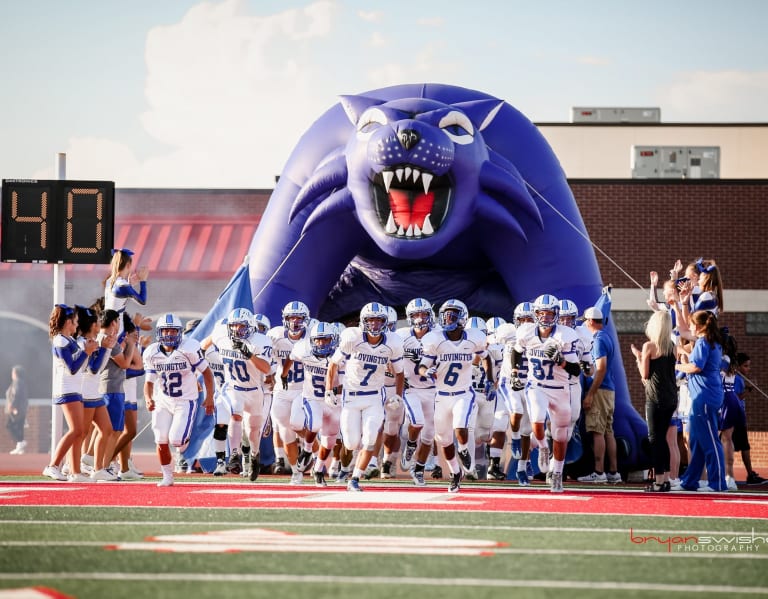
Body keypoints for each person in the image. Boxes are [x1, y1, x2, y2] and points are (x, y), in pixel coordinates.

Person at [326, 302, 404, 492]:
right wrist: (329, 390)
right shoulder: (352, 338)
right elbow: (333, 364)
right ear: (363, 321)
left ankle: (355, 478)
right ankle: (344, 468)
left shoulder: (392, 343)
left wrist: (399, 397)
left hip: (374, 397)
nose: (375, 325)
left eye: (379, 321)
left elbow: (400, 373)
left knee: (369, 438)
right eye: (371, 320)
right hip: (351, 397)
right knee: (351, 442)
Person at [512, 294, 581, 493]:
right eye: (542, 313)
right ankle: (543, 447)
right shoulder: (526, 332)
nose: (546, 317)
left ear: (556, 315)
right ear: (535, 314)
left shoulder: (565, 336)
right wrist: (516, 372)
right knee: (537, 421)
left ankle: (557, 472)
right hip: (537, 386)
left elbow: (576, 370)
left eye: (550, 313)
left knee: (561, 435)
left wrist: (561, 361)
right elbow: (516, 352)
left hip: (560, 390)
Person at [418, 299, 489, 493]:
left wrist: (490, 379)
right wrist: (427, 372)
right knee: (444, 440)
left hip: (463, 394)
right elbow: (422, 365)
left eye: (453, 314)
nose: (448, 317)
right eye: (446, 314)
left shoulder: (473, 338)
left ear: (462, 318)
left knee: (460, 427)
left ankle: (464, 449)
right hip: (441, 396)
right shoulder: (435, 339)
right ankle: (455, 473)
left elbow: (486, 357)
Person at [144, 313, 214, 487]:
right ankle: (167, 476)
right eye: (165, 331)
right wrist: (148, 398)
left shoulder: (189, 348)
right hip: (163, 400)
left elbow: (206, 372)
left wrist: (210, 396)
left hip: (186, 400)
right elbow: (149, 381)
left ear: (180, 332)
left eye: (172, 331)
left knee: (177, 440)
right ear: (159, 333)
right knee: (160, 439)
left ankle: (182, 443)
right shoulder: (152, 352)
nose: (169, 334)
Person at [43, 304, 99, 481]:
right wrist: (86, 352)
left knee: (80, 430)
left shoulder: (70, 340)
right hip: (67, 389)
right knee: (76, 430)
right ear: (67, 322)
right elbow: (72, 368)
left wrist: (90, 350)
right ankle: (53, 465)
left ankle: (74, 471)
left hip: (75, 388)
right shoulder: (60, 340)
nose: (76, 326)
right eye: (74, 322)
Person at [673, 310, 727, 492]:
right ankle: (690, 481)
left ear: (699, 326)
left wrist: (676, 366)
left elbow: (696, 367)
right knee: (696, 440)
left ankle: (717, 483)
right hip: (703, 396)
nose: (690, 328)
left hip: (705, 396)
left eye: (691, 324)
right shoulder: (709, 341)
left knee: (710, 441)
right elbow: (684, 333)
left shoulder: (704, 342)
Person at [286, 321, 341, 486]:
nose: (321, 343)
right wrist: (283, 374)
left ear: (333, 340)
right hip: (312, 398)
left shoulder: (340, 357)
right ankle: (308, 449)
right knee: (314, 424)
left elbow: (348, 381)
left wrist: (336, 392)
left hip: (334, 403)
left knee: (329, 441)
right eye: (318, 340)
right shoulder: (303, 350)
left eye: (325, 340)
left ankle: (318, 470)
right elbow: (290, 358)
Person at [631, 310, 677, 492]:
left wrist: (638, 358)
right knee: (662, 438)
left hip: (655, 398)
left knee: (655, 439)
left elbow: (645, 375)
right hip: (671, 397)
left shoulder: (649, 346)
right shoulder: (672, 346)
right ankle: (665, 479)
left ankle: (658, 481)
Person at [577, 306, 622, 485]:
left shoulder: (597, 340)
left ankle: (599, 472)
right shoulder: (606, 337)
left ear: (590, 321)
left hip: (600, 389)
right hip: (608, 390)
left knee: (597, 432)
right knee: (607, 431)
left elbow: (601, 367)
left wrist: (590, 394)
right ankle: (613, 472)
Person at [397, 298, 438, 487]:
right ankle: (411, 444)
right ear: (409, 317)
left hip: (433, 391)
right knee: (417, 422)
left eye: (423, 314)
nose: (420, 319)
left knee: (429, 435)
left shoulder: (439, 335)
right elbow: (390, 357)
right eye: (416, 315)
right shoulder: (401, 336)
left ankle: (419, 469)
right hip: (411, 389)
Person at [734, 353, 767, 485]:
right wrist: (750, 390)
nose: (748, 369)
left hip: (739, 415)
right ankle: (749, 474)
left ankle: (750, 473)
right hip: (736, 415)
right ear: (738, 366)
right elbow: (736, 397)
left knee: (740, 446)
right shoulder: (736, 378)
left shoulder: (740, 379)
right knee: (743, 446)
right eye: (745, 366)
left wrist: (747, 387)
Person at [103, 248, 148, 333]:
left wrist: (129, 284)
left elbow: (118, 296)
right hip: (115, 328)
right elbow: (142, 301)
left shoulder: (110, 280)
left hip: (107, 324)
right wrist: (143, 281)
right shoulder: (123, 285)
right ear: (128, 265)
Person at [6, 365, 29, 455]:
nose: (11, 374)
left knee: (10, 425)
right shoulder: (19, 382)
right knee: (19, 427)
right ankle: (20, 446)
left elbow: (16, 395)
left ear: (16, 373)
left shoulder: (17, 382)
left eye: (13, 372)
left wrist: (13, 406)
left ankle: (20, 442)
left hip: (17, 409)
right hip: (20, 408)